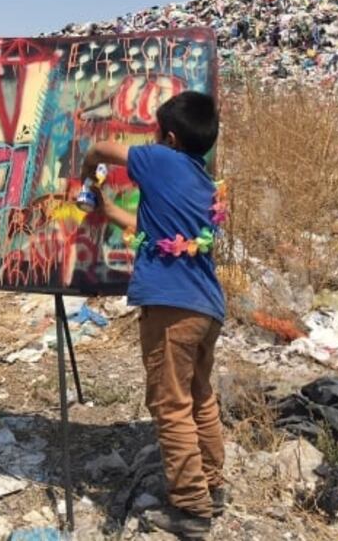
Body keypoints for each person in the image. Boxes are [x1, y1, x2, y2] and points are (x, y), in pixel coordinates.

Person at [81, 91, 226, 539]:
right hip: (205, 308)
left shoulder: (161, 160)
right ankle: (211, 486)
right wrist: (112, 212)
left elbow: (103, 148)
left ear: (168, 137)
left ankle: (191, 510)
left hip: (171, 308)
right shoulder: (201, 183)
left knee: (170, 405)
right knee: (200, 396)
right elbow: (155, 232)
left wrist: (89, 171)